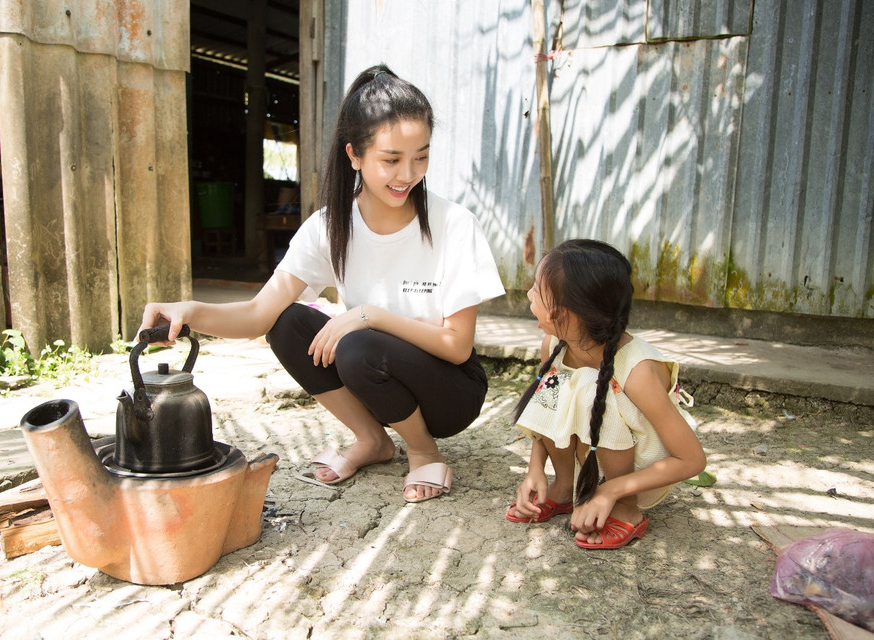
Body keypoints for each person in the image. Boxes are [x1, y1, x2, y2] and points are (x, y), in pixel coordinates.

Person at [139, 64, 505, 503]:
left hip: (450, 391)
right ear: (354, 155)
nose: (408, 174)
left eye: (421, 156)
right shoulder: (329, 227)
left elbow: (457, 346)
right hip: (376, 383)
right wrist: (190, 312)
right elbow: (259, 313)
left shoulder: (454, 224)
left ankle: (423, 450)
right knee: (287, 322)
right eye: (391, 160)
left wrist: (367, 315)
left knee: (358, 341)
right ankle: (373, 440)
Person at [505, 239, 706, 548]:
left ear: (567, 314)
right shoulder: (553, 344)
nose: (529, 296)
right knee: (558, 385)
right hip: (591, 457)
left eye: (537, 291)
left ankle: (626, 510)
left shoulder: (637, 370)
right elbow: (546, 404)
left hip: (642, 467)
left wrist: (611, 491)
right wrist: (535, 469)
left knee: (591, 390)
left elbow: (692, 460)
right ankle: (564, 485)